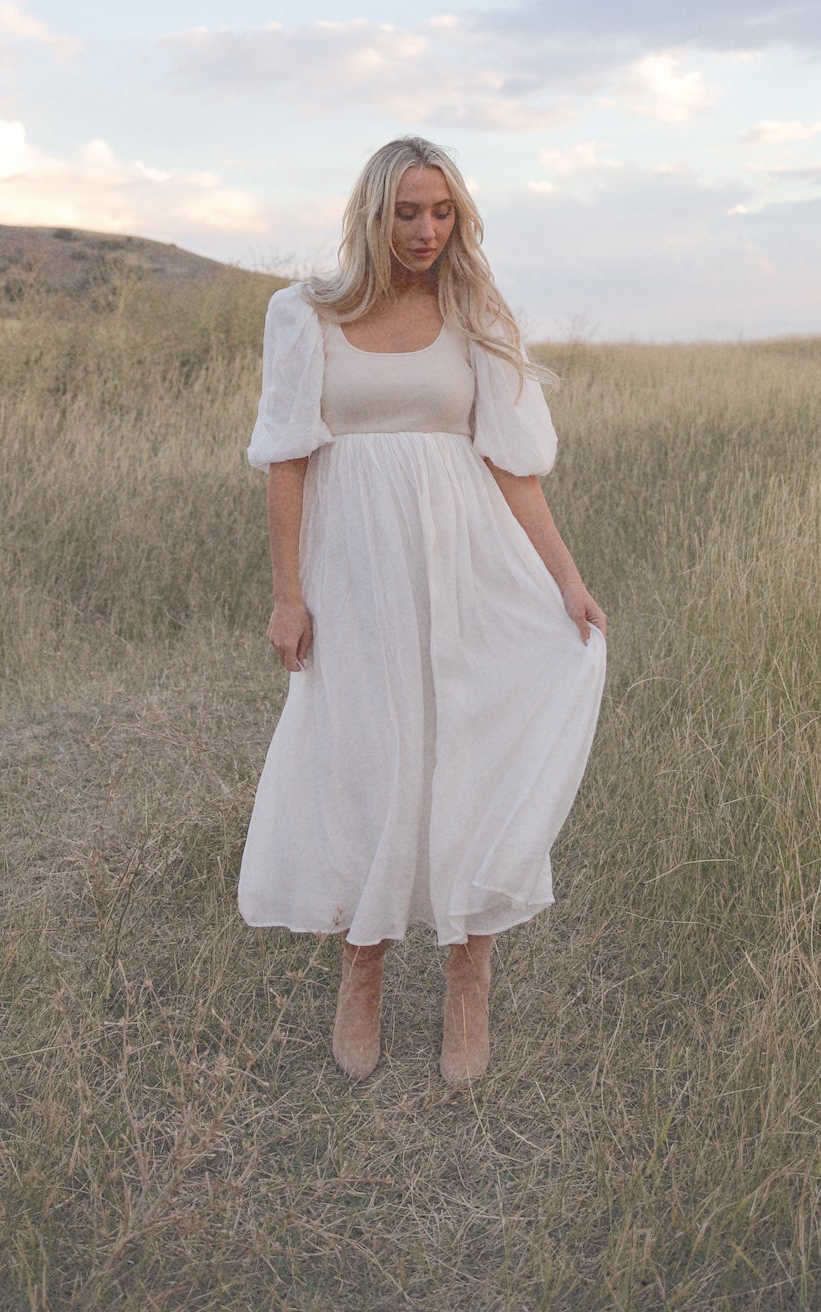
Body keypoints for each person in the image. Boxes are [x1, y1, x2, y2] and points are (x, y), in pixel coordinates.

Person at [240, 135, 607, 1084]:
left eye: (441, 212)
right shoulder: (305, 314)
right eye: (407, 212)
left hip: (466, 560)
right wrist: (287, 594)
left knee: (464, 751)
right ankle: (360, 971)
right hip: (353, 570)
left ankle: (467, 977)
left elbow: (510, 465)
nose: (426, 230)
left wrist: (565, 580)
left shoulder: (474, 311)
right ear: (372, 214)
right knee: (361, 751)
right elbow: (287, 458)